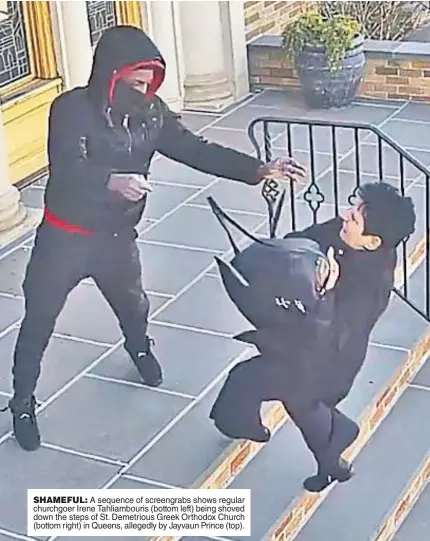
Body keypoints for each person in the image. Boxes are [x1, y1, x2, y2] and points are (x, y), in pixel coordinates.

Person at [2, 25, 307, 452]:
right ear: (111, 75)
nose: (144, 91)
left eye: (150, 84)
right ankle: (22, 403)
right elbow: (68, 168)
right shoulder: (70, 109)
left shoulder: (152, 112)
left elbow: (195, 149)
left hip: (115, 238)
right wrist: (112, 181)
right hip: (64, 238)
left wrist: (258, 170)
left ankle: (139, 348)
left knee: (134, 305)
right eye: (136, 83)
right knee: (39, 320)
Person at [209, 182, 416, 492]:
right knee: (298, 401)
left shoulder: (371, 286)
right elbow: (296, 243)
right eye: (352, 208)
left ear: (373, 241)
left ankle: (248, 425)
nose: (346, 216)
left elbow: (335, 332)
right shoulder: (341, 231)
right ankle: (332, 450)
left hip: (327, 360)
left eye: (355, 218)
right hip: (299, 344)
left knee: (255, 382)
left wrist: (326, 291)